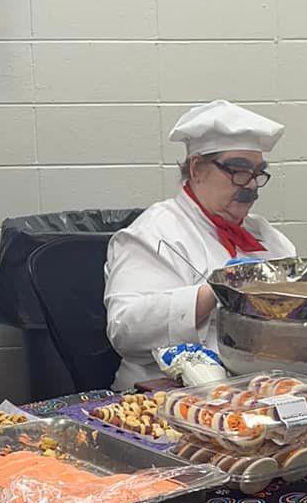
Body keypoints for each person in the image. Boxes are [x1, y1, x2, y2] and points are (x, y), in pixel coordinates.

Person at [105, 100, 294, 388]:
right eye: (239, 170)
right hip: (163, 394)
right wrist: (214, 291)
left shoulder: (270, 238)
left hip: (253, 391)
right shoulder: (153, 233)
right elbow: (125, 330)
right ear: (197, 169)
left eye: (258, 173)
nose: (251, 185)